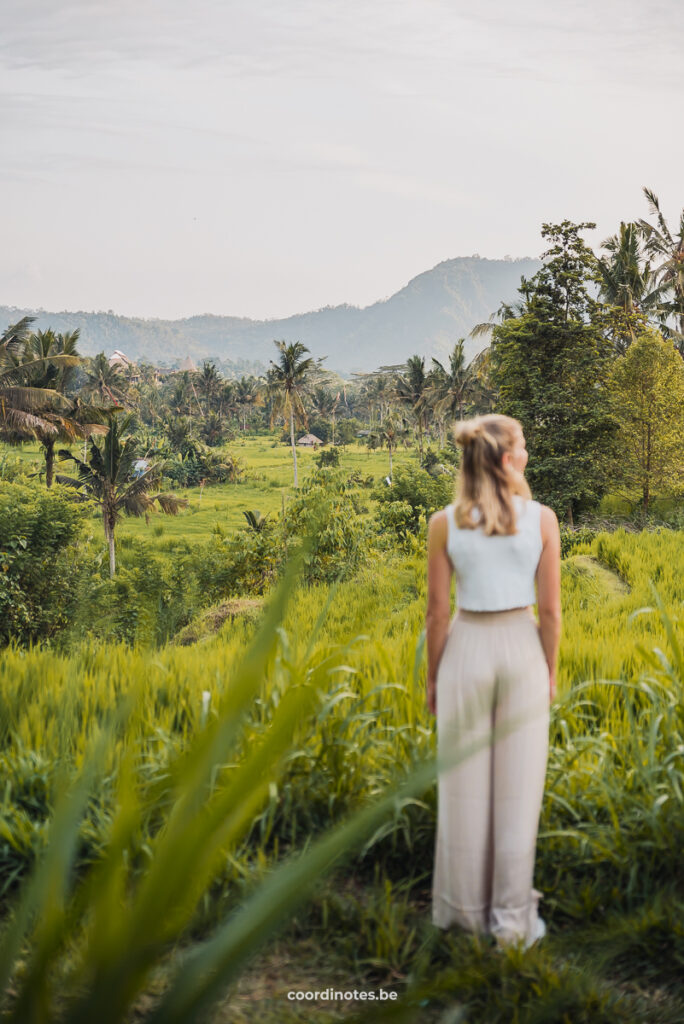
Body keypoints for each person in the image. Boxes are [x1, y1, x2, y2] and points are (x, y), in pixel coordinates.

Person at [425, 413, 561, 949]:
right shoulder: (543, 520)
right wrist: (548, 669)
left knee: (463, 785)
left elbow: (437, 615)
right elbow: (550, 612)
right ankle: (510, 922)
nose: (526, 453)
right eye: (522, 445)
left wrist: (433, 679)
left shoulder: (444, 522)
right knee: (519, 790)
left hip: (466, 649)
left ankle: (463, 914)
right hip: (521, 647)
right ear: (507, 459)